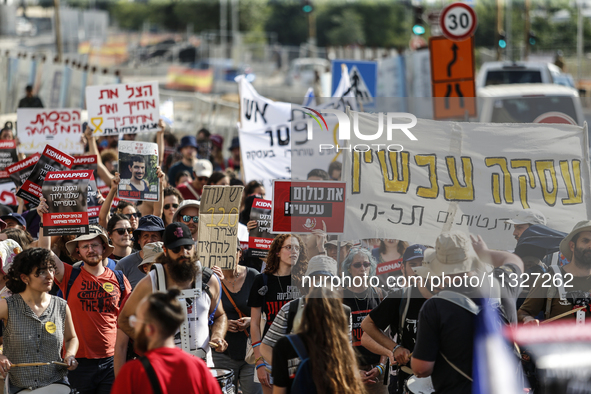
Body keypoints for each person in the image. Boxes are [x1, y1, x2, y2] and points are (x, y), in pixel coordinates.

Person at [411, 232, 523, 394]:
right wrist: (485, 253)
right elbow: (514, 260)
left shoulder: (435, 306)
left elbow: (422, 369)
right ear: (472, 259)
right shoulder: (502, 282)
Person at [38, 221, 132, 394]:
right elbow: (45, 253)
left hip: (112, 361)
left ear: (104, 248)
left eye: (95, 245)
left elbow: (129, 317)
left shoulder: (119, 279)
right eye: (85, 246)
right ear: (78, 252)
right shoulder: (69, 274)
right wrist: (44, 221)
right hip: (77, 362)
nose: (91, 250)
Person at [118, 223, 228, 367]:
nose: (184, 253)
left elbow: (220, 316)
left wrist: (218, 335)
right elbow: (124, 319)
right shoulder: (151, 281)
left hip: (202, 367)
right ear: (165, 250)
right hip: (164, 370)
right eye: (176, 249)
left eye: (188, 247)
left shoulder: (209, 280)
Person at [111, 289, 221, 394]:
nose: (133, 326)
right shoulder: (198, 368)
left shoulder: (133, 373)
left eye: (136, 321)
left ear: (149, 328)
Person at [0, 248, 79, 393]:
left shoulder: (61, 305)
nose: (50, 276)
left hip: (55, 383)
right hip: (19, 386)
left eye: (51, 269)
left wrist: (70, 355)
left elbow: (71, 338)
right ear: (25, 278)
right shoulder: (7, 306)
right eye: (42, 271)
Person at [361, 244, 430, 393]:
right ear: (403, 268)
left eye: (423, 264)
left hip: (438, 379)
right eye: (412, 265)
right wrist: (395, 348)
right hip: (405, 380)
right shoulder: (399, 297)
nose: (418, 269)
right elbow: (367, 325)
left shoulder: (442, 296)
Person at [259, 255, 353, 365]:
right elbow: (266, 346)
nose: (321, 283)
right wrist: (282, 372)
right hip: (297, 380)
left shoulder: (343, 312)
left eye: (327, 279)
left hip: (329, 379)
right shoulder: (290, 309)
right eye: (317, 278)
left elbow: (346, 351)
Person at [272, 287, 366, 394]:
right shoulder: (342, 348)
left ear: (306, 310)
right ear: (338, 314)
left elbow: (279, 391)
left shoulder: (286, 345)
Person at [248, 234, 308, 393]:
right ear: (277, 252)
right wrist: (259, 361)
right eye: (289, 247)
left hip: (299, 351)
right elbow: (254, 323)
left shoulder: (305, 281)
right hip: (269, 351)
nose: (294, 251)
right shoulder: (262, 280)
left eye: (297, 248)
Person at [518, 220, 591, 324]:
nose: (590, 245)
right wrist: (528, 320)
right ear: (572, 246)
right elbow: (523, 312)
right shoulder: (548, 279)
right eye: (585, 240)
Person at [214, 242, 262, 394]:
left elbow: (268, 311)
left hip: (251, 352)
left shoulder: (254, 276)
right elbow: (203, 314)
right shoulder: (211, 279)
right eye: (222, 251)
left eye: (231, 251)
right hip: (223, 352)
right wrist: (223, 324)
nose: (226, 255)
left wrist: (251, 320)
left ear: (239, 253)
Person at [341, 247, 388, 393]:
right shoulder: (339, 297)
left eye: (366, 264)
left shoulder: (380, 294)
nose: (362, 268)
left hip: (378, 372)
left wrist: (381, 366)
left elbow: (386, 336)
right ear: (349, 268)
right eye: (357, 265)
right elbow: (336, 340)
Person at [113, 242, 163, 377]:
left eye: (164, 265)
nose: (161, 271)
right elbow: (121, 346)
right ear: (146, 268)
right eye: (155, 267)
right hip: (144, 370)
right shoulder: (132, 299)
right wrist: (121, 385)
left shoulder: (184, 296)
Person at [115, 215, 165, 289]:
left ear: (162, 239)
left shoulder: (171, 263)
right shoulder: (123, 265)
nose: (150, 240)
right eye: (145, 236)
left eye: (154, 236)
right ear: (139, 239)